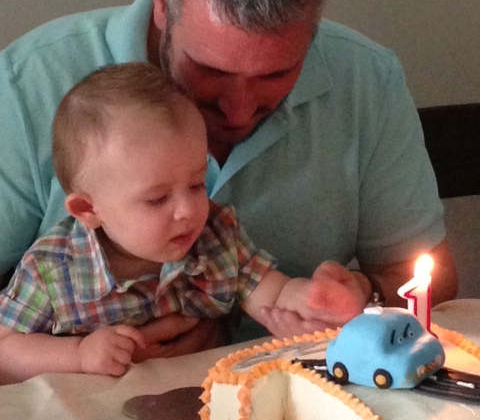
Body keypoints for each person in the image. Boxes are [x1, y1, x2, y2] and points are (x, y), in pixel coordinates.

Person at [0, 0, 457, 354]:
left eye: (277, 74)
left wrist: (363, 295)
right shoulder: (24, 86)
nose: (238, 111)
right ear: (162, 0)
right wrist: (74, 358)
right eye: (210, 70)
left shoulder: (367, 79)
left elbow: (428, 279)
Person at [0, 63, 366, 383]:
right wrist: (78, 355)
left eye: (196, 184)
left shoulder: (215, 236)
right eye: (158, 199)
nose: (188, 210)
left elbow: (271, 293)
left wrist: (313, 299)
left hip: (199, 407)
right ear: (87, 209)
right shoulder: (51, 270)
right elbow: (6, 351)